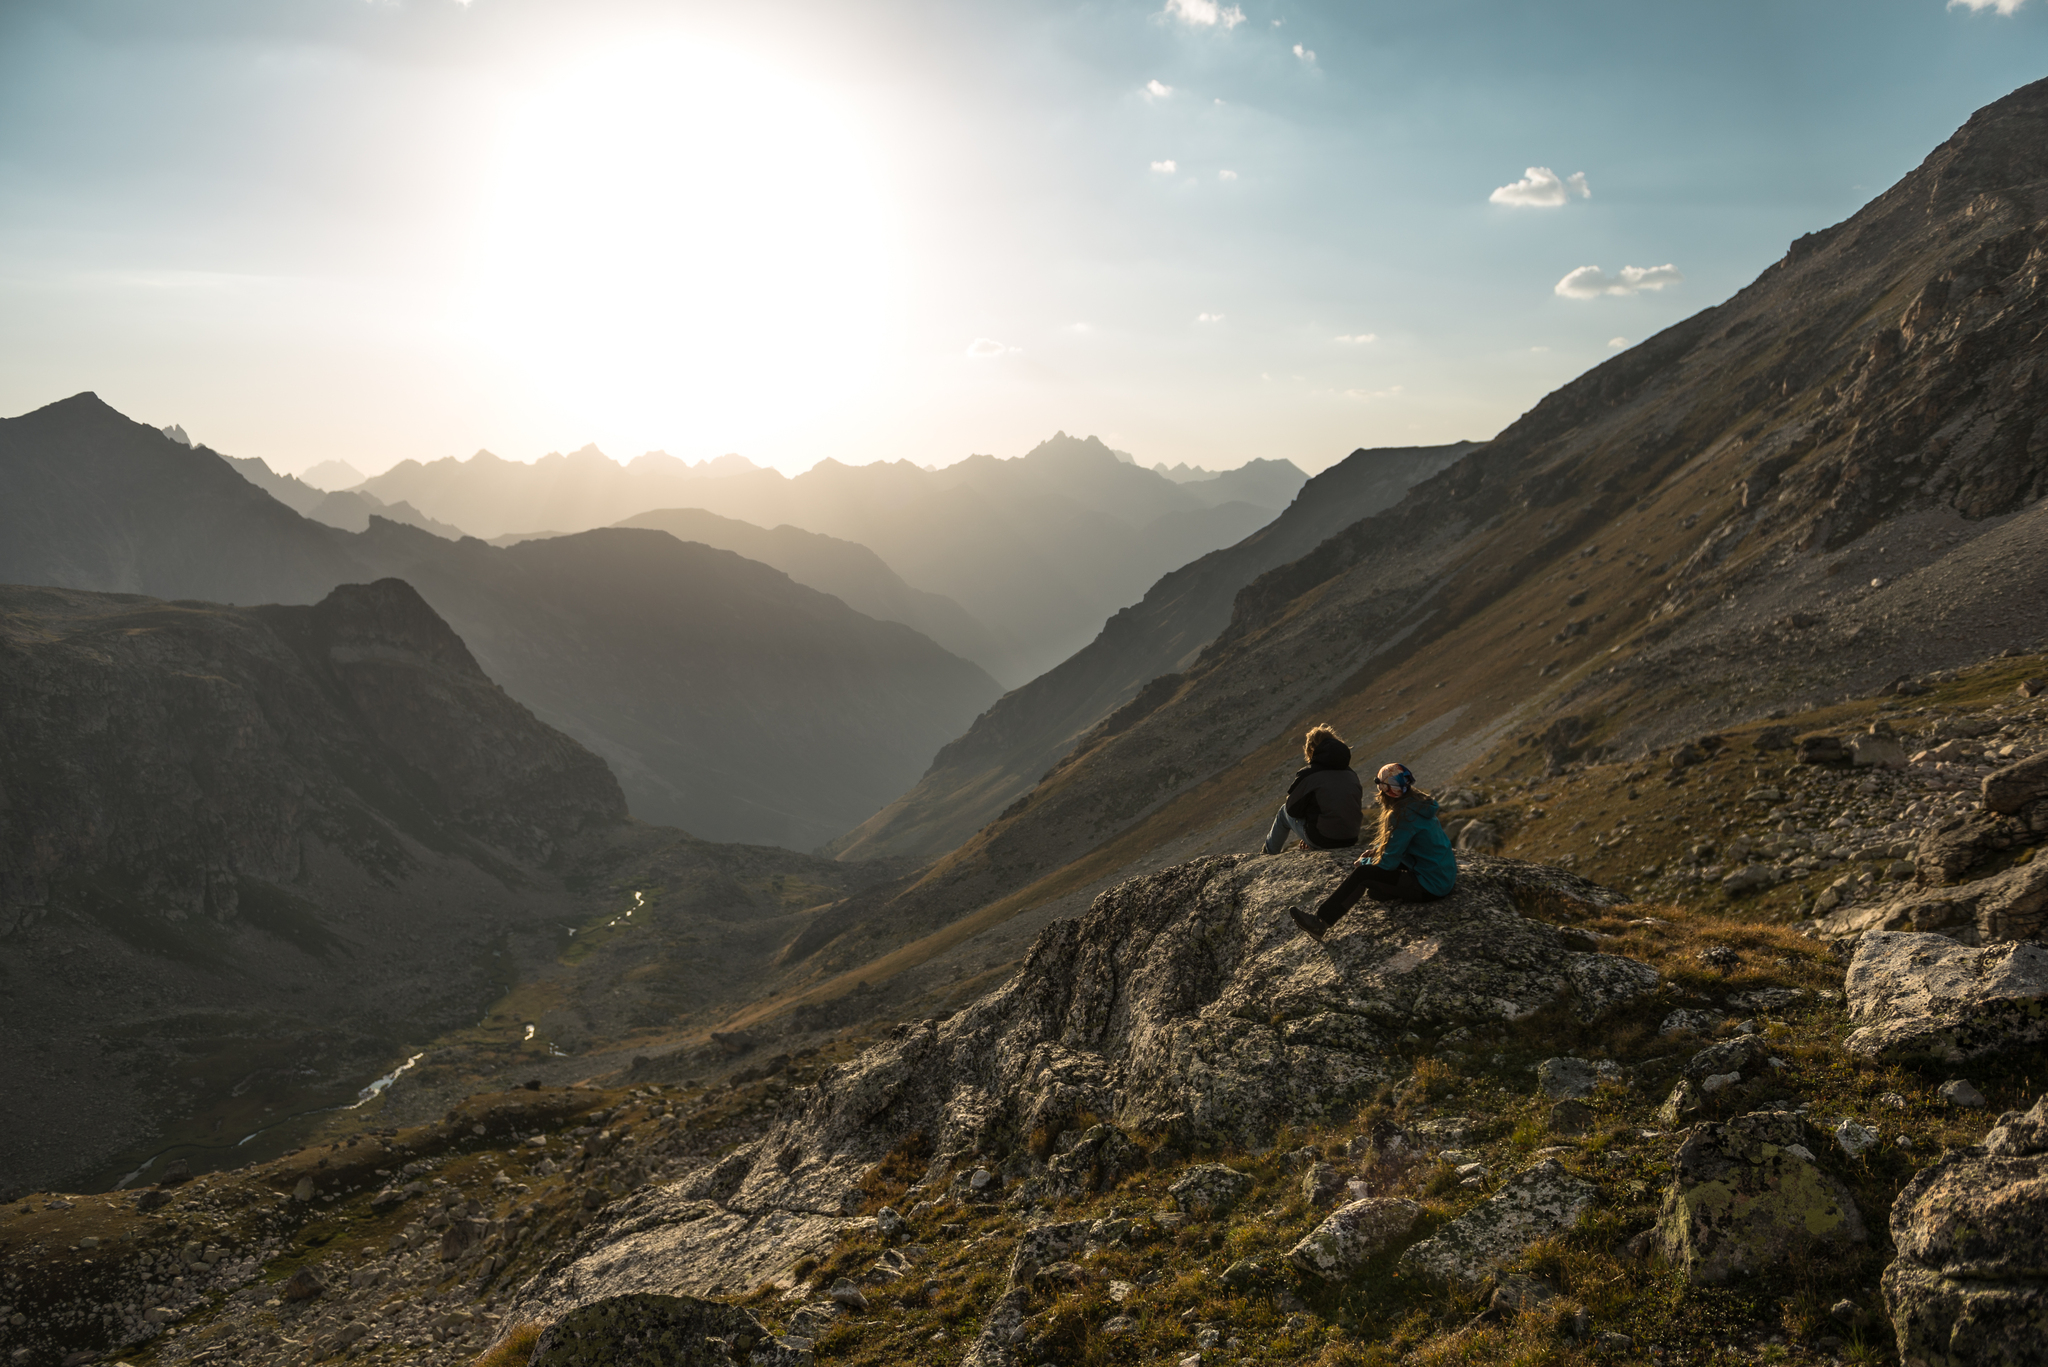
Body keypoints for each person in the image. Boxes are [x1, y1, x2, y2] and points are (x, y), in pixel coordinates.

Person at [1287, 762, 1457, 941]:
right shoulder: (1419, 805)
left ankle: (1321, 922)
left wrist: (1364, 863)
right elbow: (1402, 842)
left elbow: (1388, 864)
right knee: (1375, 891)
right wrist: (1378, 850)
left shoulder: (1401, 816)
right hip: (1442, 875)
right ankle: (1387, 890)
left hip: (1431, 886)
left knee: (1363, 875)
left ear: (1386, 790)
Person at [1262, 725, 1363, 855]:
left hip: (1323, 839)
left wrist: (1311, 834)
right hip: (1351, 838)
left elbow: (1292, 809)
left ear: (1312, 748)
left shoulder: (1310, 774)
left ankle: (1267, 855)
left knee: (1283, 812)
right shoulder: (1351, 774)